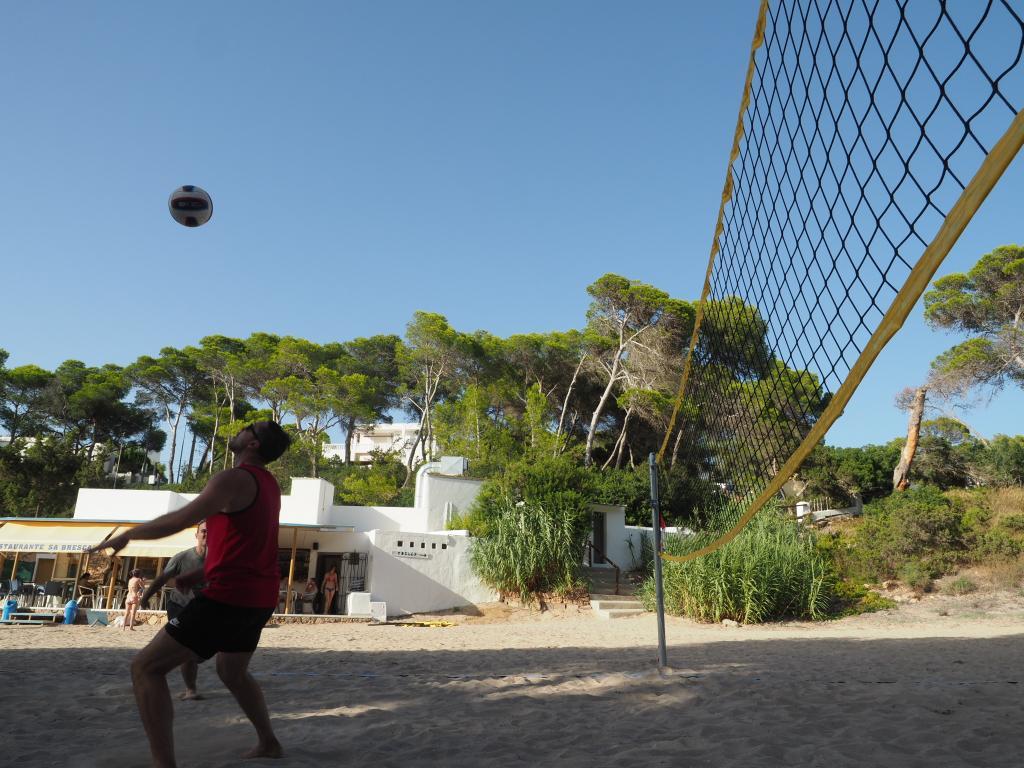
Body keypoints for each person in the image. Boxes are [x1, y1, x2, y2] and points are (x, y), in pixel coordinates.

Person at [88, 420, 291, 768]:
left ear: (253, 444)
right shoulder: (269, 485)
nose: (241, 429)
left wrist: (129, 535)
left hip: (229, 597)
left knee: (145, 669)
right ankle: (269, 743)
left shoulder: (233, 478)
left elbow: (180, 519)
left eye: (248, 428)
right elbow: (249, 544)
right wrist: (201, 571)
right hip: (258, 596)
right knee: (231, 671)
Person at [140, 522, 208, 699]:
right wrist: (146, 597)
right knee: (186, 650)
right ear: (197, 535)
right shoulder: (182, 558)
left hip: (204, 609)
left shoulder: (219, 558)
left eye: (211, 532)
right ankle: (191, 689)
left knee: (197, 653)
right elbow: (162, 578)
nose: (206, 535)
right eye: (203, 531)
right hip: (180, 606)